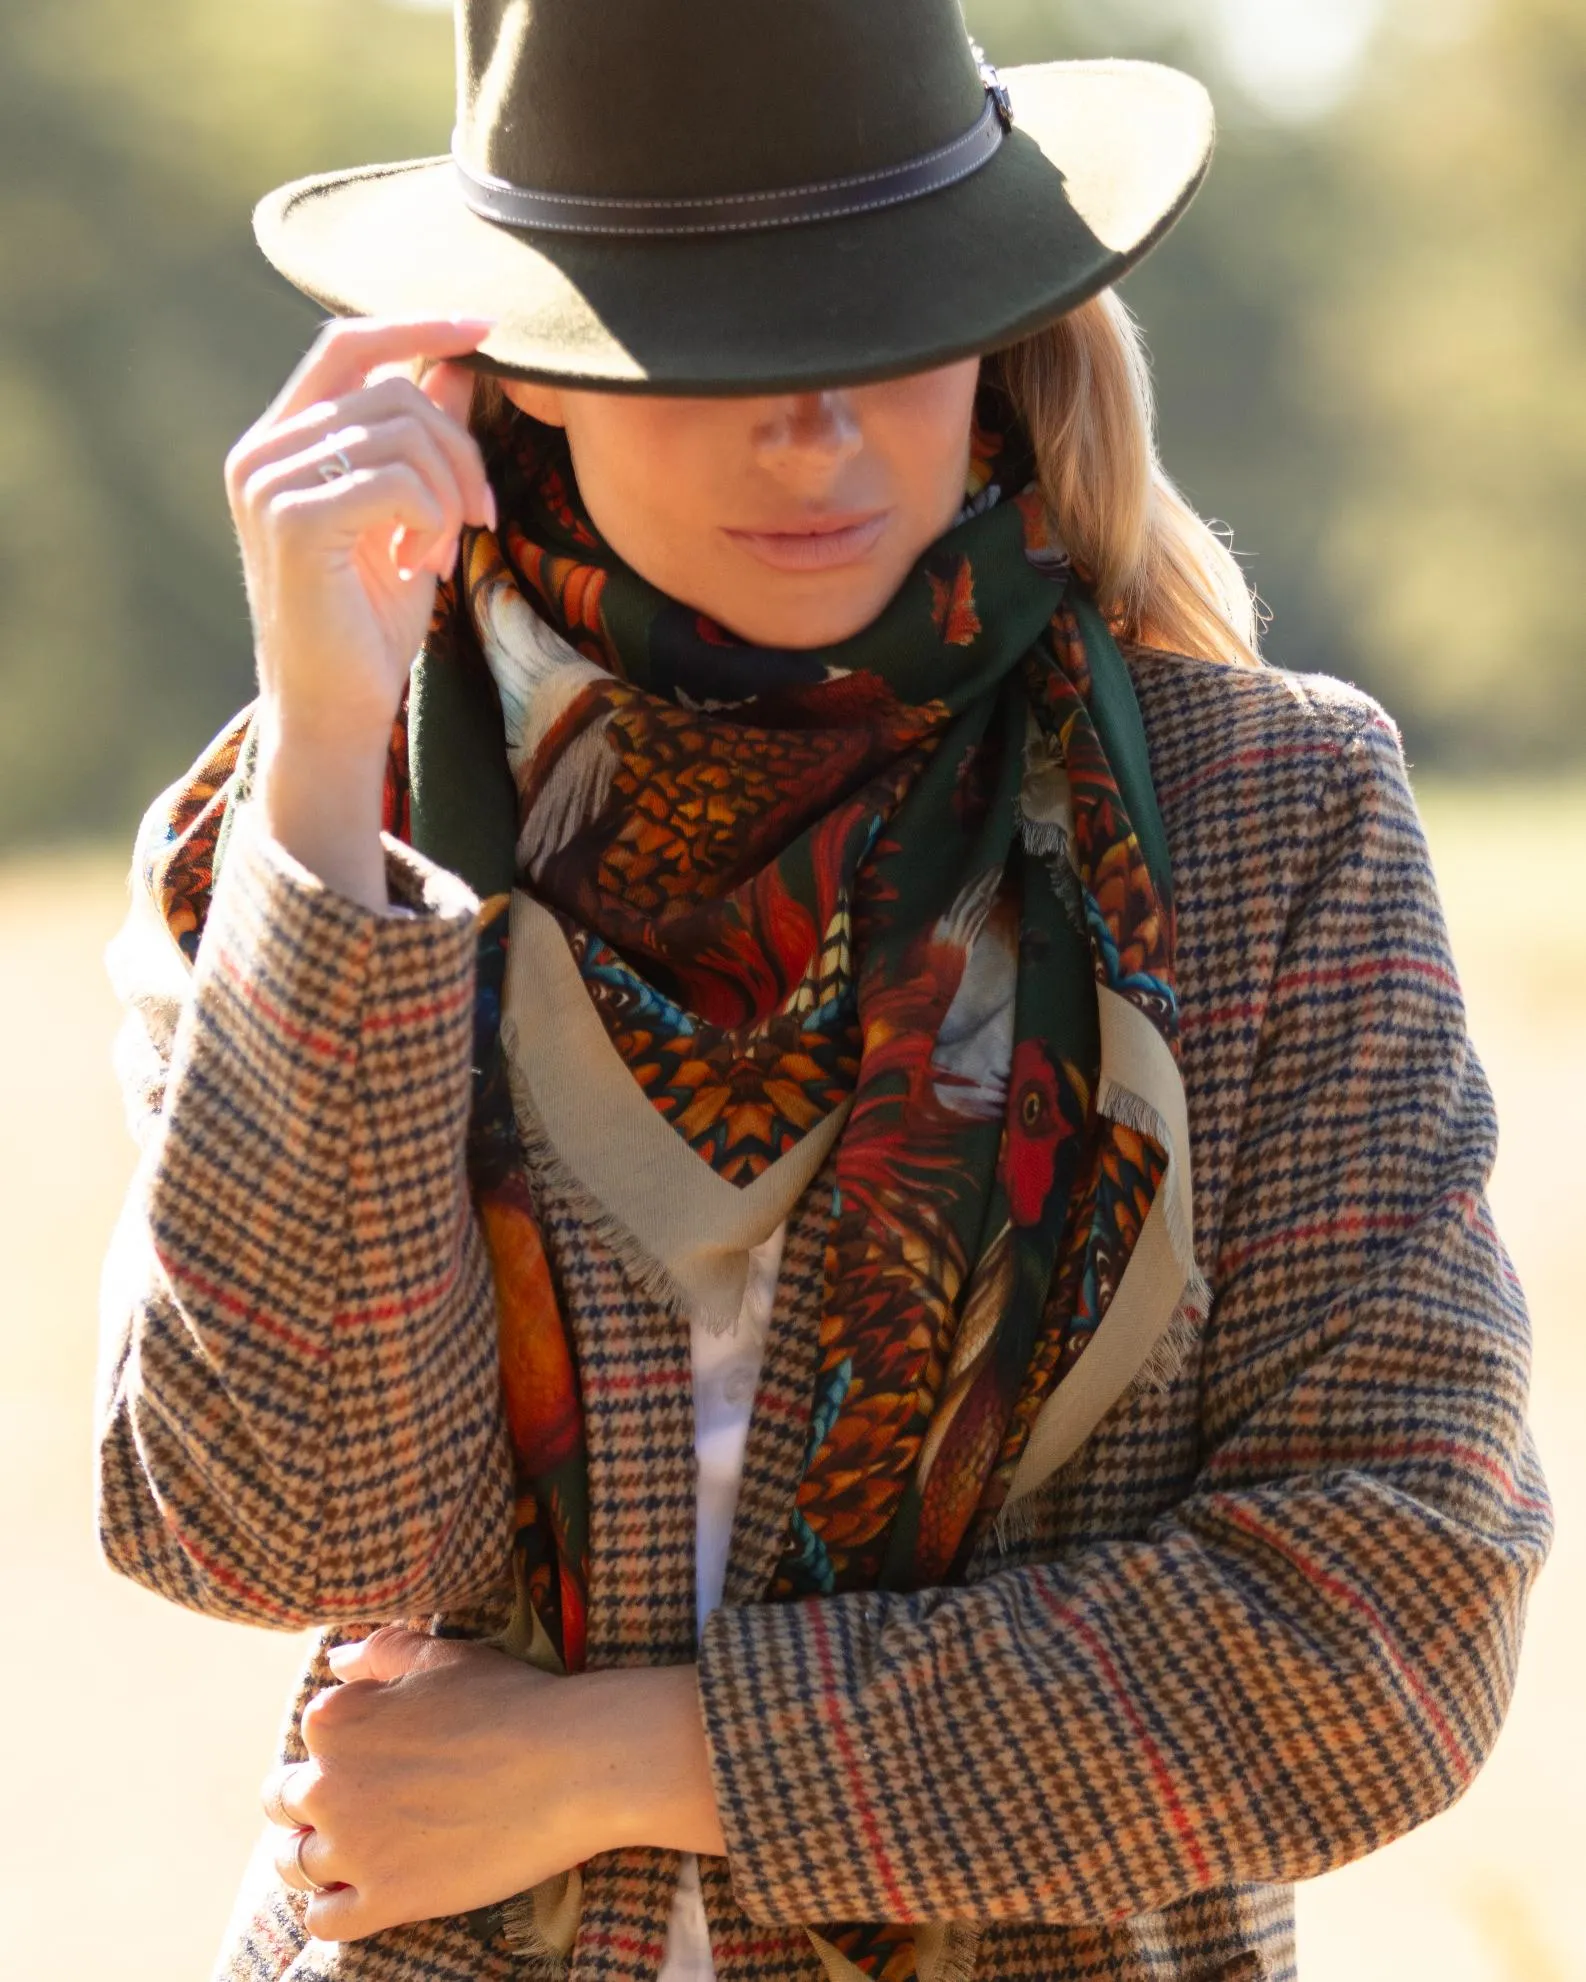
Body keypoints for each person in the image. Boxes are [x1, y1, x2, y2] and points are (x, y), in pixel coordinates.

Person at [95, 3, 1552, 1979]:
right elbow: (286, 1530)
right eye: (706, 344)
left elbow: (1378, 1631)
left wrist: (624, 1759)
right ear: (508, 364)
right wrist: (334, 767)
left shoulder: (1262, 822)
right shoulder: (295, 835)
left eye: (879, 315)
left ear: (996, 313)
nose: (813, 424)